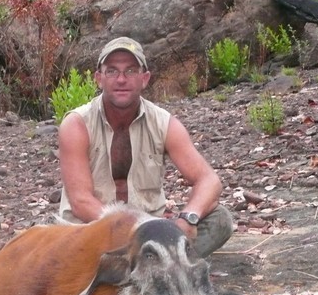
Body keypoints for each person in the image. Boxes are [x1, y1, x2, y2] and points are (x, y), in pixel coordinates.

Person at [58, 36, 233, 257]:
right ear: (99, 79)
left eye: (131, 70)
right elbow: (81, 202)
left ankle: (145, 268)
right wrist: (140, 230)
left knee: (220, 220)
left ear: (145, 78)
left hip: (148, 236)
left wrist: (188, 217)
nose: (121, 79)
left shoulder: (165, 123)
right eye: (112, 71)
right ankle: (163, 267)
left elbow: (209, 180)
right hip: (92, 232)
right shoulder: (76, 125)